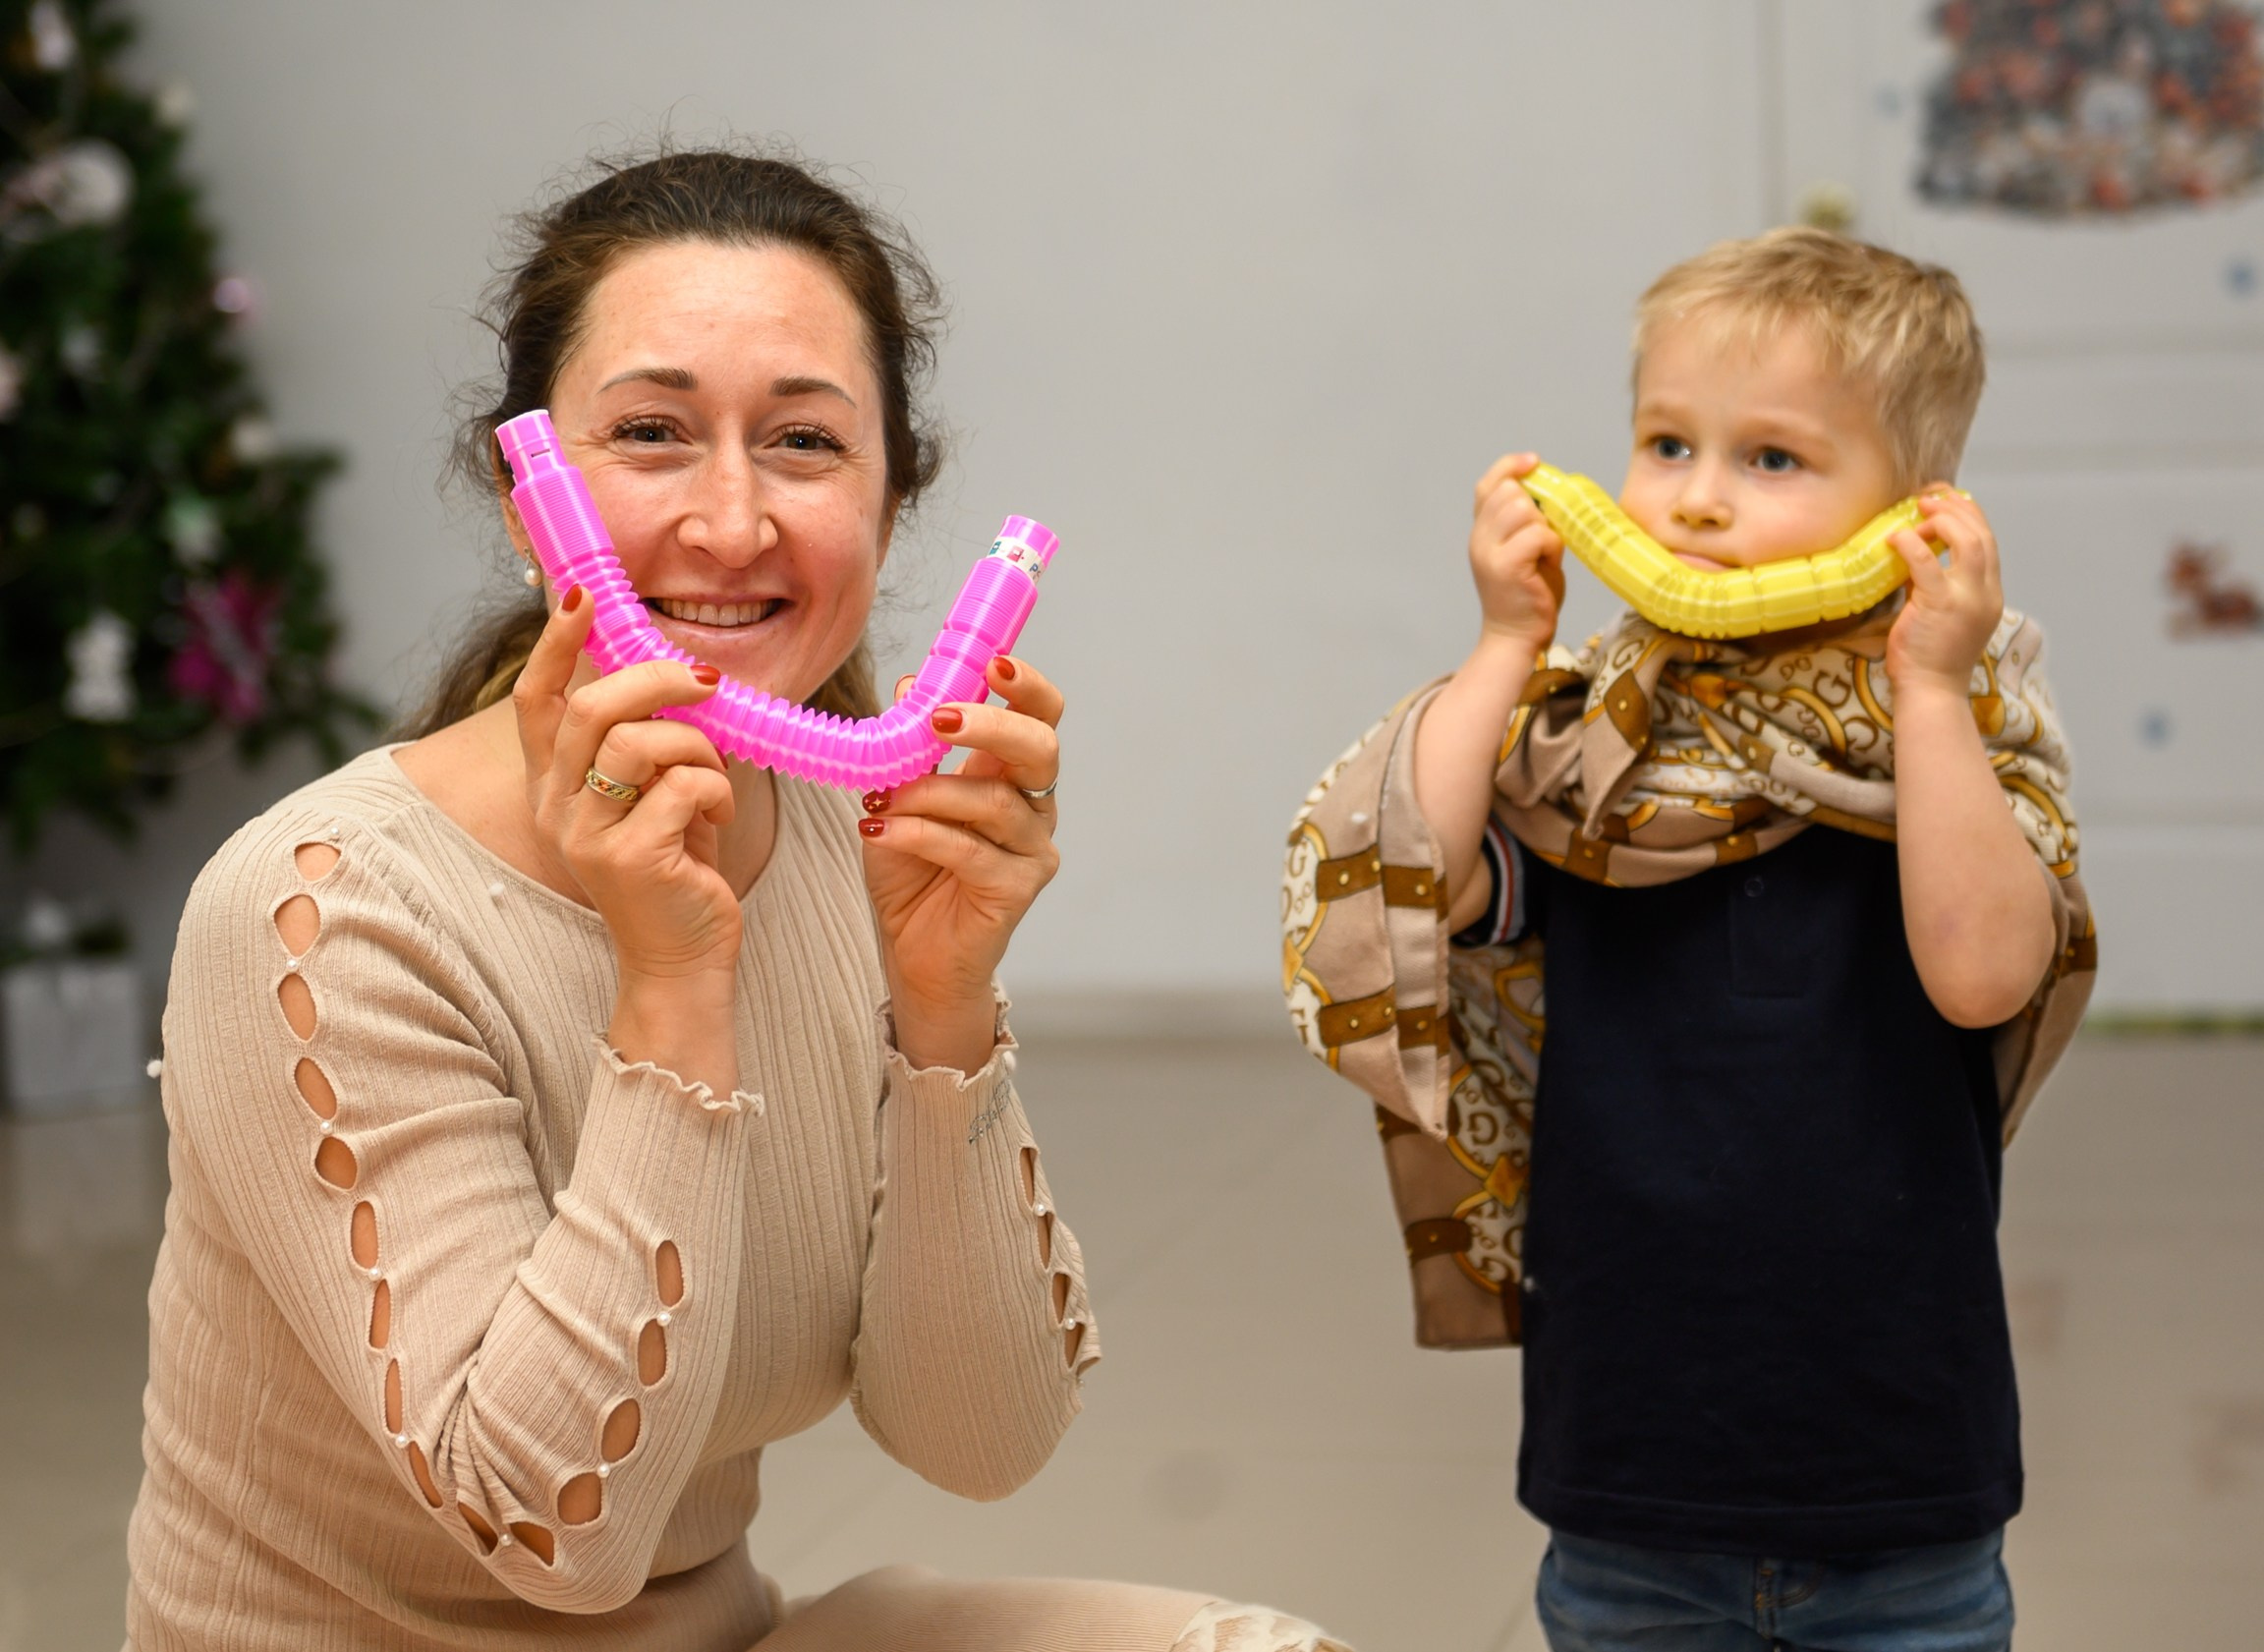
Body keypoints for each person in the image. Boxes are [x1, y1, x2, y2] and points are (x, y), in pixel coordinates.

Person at [127, 147, 1350, 1652]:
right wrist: (671, 984)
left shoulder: (854, 839)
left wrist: (947, 1015)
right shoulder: (315, 911)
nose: (730, 521)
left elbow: (981, 1438)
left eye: (803, 443)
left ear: (893, 503)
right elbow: (552, 1532)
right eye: (651, 433)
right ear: (535, 502)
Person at [1280, 229, 2097, 1651]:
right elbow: (1412, 877)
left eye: (1772, 458)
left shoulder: (1953, 746)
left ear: (1919, 510)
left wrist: (1929, 693)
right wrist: (1498, 647)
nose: (1698, 501)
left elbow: (1984, 971)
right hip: (1628, 1482)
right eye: (1666, 442)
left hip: (1902, 1481)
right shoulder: (1593, 752)